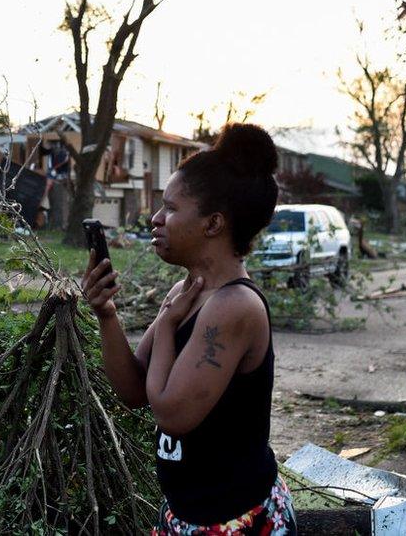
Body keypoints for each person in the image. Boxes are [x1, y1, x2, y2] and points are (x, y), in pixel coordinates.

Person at [81, 123, 296, 535]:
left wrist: (165, 325)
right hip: (187, 515)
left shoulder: (234, 306)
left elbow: (171, 413)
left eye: (171, 209)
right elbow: (132, 390)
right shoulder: (186, 291)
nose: (156, 219)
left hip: (235, 522)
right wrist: (107, 314)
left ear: (213, 224)